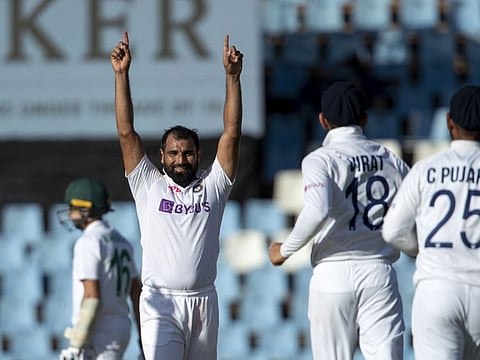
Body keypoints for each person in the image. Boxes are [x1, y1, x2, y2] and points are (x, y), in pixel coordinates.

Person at [110, 31, 243, 360]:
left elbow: (232, 132)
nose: (180, 159)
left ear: (198, 154)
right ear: (161, 155)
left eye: (187, 153)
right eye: (173, 153)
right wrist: (122, 75)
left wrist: (232, 78)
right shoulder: (147, 183)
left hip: (204, 302)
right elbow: (126, 132)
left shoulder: (215, 185)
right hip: (160, 302)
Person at [269, 81, 409, 359]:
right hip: (379, 271)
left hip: (333, 273)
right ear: (365, 119)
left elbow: (318, 209)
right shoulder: (390, 158)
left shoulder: (320, 159)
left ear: (322, 121)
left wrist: (284, 250)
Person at [382, 85, 480, 359]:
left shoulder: (425, 168)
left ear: (449, 122)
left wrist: (419, 247)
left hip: (438, 288)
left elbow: (391, 231)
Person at [57, 177, 142, 360]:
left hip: (98, 331)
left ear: (85, 209)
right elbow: (136, 292)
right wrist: (143, 337)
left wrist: (76, 343)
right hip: (120, 327)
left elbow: (92, 297)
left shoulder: (88, 242)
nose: (70, 213)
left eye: (72, 208)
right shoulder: (123, 242)